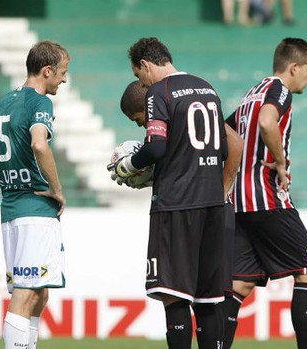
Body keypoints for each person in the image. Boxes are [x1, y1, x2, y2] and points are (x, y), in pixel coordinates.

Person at [110, 37, 230, 349]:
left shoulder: (158, 92)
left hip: (177, 205)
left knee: (173, 294)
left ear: (145, 65)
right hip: (214, 204)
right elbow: (224, 149)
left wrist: (128, 166)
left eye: (139, 76)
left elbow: (156, 146)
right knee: (208, 299)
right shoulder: (207, 88)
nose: (142, 82)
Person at [221, 37, 307, 349]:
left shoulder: (251, 94)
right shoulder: (278, 90)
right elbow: (267, 122)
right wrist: (279, 162)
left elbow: (224, 129)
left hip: (239, 202)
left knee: (240, 283)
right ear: (293, 67)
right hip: (266, 197)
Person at [0, 40, 69, 349]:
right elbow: (39, 144)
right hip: (34, 208)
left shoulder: (1, 105)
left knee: (39, 292)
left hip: (10, 207)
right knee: (25, 296)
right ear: (47, 70)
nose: (63, 79)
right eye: (62, 72)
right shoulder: (40, 102)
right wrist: (57, 190)